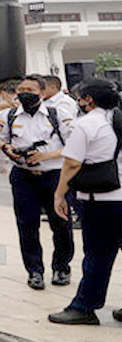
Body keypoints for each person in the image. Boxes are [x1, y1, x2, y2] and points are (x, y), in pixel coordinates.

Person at [48, 79, 122, 325]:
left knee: (98, 253)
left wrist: (59, 195)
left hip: (101, 199)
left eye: (81, 96)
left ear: (89, 99)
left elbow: (71, 163)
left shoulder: (87, 124)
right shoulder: (117, 119)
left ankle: (84, 307)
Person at [0, 75, 75, 289]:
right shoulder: (8, 115)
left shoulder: (58, 115)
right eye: (21, 89)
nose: (24, 93)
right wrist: (7, 149)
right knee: (27, 226)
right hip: (23, 177)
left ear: (42, 92)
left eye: (30, 89)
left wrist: (46, 156)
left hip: (54, 176)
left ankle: (61, 268)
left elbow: (75, 146)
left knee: (61, 224)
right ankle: (34, 271)